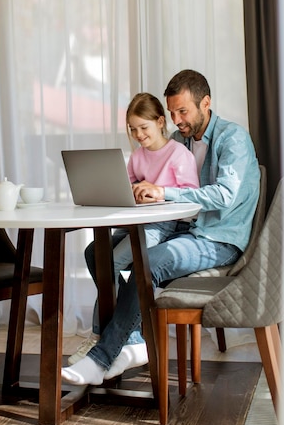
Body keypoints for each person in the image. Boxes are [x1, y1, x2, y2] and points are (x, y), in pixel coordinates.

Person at [61, 69, 260, 386]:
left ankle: (102, 357)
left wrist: (164, 192)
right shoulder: (181, 140)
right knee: (96, 252)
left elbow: (225, 195)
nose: (177, 119)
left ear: (205, 103)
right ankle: (134, 340)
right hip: (183, 231)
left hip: (218, 239)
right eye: (172, 112)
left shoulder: (232, 138)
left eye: (184, 111)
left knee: (146, 263)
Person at [68, 91, 199, 366]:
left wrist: (159, 193)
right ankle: (130, 335)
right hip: (135, 223)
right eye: (133, 129)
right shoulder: (138, 156)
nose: (138, 134)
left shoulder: (179, 154)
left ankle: (99, 337)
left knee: (113, 263)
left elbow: (191, 194)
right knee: (94, 253)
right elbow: (123, 184)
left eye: (143, 127)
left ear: (161, 122)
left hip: (162, 225)